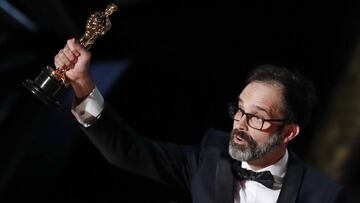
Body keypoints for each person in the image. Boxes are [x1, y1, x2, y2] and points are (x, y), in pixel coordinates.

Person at [54, 38, 344, 203]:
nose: (239, 125)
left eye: (256, 117)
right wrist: (82, 84)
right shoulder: (210, 155)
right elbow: (128, 152)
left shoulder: (323, 195)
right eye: (239, 110)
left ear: (289, 132)